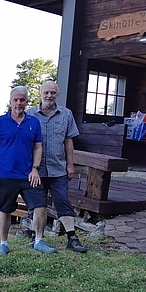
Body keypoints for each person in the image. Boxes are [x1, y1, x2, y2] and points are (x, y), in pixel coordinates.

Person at [0, 86, 55, 256]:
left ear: (26, 102)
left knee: (40, 205)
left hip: (28, 175)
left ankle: (39, 241)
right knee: (5, 209)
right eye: (15, 100)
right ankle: (3, 244)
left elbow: (38, 148)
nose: (19, 103)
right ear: (10, 102)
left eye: (22, 100)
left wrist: (35, 169)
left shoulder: (33, 122)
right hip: (5, 174)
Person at [27, 80, 87, 253]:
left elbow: (69, 141)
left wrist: (70, 165)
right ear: (40, 94)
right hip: (36, 170)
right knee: (37, 204)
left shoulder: (66, 114)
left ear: (57, 95)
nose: (49, 96)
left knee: (63, 201)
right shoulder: (30, 115)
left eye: (52, 93)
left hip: (58, 169)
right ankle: (35, 237)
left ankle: (72, 239)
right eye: (46, 92)